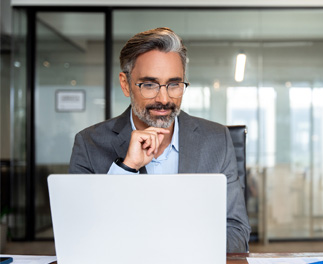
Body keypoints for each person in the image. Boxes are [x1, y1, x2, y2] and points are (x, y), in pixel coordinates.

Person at [68, 27, 251, 253]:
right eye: (149, 85)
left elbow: (236, 232)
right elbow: (77, 237)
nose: (163, 99)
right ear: (126, 84)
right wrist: (127, 168)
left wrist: (172, 249)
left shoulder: (217, 140)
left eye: (174, 84)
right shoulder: (88, 144)